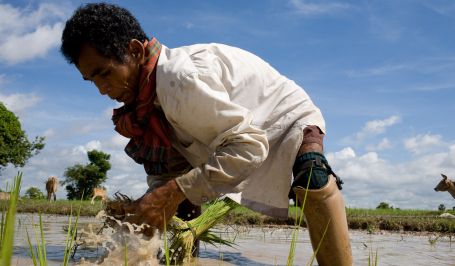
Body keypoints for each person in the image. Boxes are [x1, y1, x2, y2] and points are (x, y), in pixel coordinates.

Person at [60, 3, 352, 265]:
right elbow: (166, 174)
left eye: (105, 73)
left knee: (312, 181)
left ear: (135, 52)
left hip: (283, 117)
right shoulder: (143, 108)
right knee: (181, 203)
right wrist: (144, 208)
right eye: (91, 81)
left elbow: (249, 146)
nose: (101, 89)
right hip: (232, 133)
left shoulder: (180, 81)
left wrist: (172, 193)